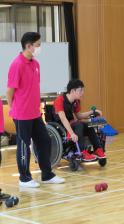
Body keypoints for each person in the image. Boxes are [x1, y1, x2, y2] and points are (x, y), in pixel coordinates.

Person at [6, 32, 65, 188]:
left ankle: (47, 175)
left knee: (44, 140)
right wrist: (13, 109)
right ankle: (24, 178)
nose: (40, 47)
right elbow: (10, 91)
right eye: (38, 45)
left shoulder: (35, 64)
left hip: (34, 113)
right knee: (24, 145)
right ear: (28, 46)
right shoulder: (17, 64)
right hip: (21, 114)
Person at [53, 79, 106, 161]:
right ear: (72, 91)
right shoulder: (59, 100)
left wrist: (93, 112)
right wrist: (72, 133)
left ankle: (98, 149)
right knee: (79, 124)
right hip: (61, 126)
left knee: (88, 124)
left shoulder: (76, 101)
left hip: (72, 124)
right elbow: (63, 119)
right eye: (80, 90)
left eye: (83, 90)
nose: (82, 93)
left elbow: (79, 116)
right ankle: (81, 152)